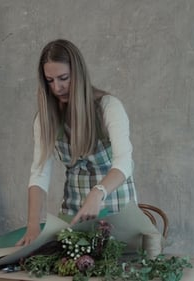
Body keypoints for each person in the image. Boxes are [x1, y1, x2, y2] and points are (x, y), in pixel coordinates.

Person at [16, 39, 137, 246]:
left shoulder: (108, 107)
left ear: (78, 74)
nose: (57, 87)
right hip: (73, 214)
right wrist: (33, 226)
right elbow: (39, 173)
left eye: (64, 78)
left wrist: (97, 193)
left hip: (117, 211)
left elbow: (124, 162)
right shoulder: (46, 119)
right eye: (50, 80)